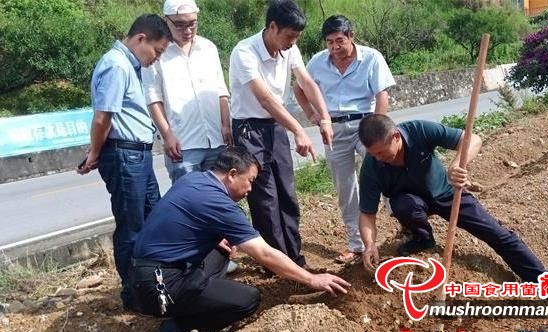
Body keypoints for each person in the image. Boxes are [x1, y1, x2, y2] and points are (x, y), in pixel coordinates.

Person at [129, 146, 350, 332]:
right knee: (248, 299)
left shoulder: (195, 181)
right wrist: (312, 279)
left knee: (221, 250)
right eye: (250, 180)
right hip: (160, 287)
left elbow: (180, 223)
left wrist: (213, 239)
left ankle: (192, 300)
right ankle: (177, 327)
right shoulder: (218, 203)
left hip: (143, 276)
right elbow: (263, 253)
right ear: (232, 174)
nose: (250, 189)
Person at [357, 115, 547, 282]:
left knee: (496, 234)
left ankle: (541, 279)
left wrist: (457, 165)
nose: (379, 158)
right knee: (403, 205)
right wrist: (370, 244)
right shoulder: (371, 168)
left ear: (395, 137)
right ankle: (423, 238)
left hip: (447, 193)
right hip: (412, 203)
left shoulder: (419, 130)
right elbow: (367, 214)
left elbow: (472, 139)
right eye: (373, 154)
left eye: (381, 152)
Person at [228, 0, 333, 267]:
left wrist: (325, 118)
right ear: (272, 27)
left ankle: (295, 258)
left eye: (296, 37)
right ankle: (276, 263)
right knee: (265, 200)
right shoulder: (245, 52)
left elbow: (306, 82)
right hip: (250, 129)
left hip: (275, 127)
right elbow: (265, 100)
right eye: (289, 36)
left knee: (287, 193)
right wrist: (298, 129)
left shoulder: (290, 49)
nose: (292, 42)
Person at [77, 14, 172, 309]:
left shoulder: (128, 67)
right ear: (141, 39)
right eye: (156, 51)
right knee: (132, 227)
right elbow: (103, 117)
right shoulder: (116, 65)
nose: (155, 59)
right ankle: (134, 295)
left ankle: (153, 284)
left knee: (152, 220)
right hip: (124, 155)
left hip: (137, 154)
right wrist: (94, 153)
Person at [293, 15, 395, 264]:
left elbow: (382, 96)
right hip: (334, 129)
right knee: (345, 187)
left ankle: (403, 226)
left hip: (365, 124)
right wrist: (312, 115)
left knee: (383, 173)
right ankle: (356, 244)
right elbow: (299, 88)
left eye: (339, 41)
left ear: (351, 36)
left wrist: (377, 129)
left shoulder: (371, 57)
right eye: (329, 42)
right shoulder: (318, 62)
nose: (335, 48)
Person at [143, 0, 232, 184]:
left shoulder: (208, 48)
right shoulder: (157, 53)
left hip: (216, 139)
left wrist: (226, 124)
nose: (188, 31)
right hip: (183, 145)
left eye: (192, 23)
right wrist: (167, 136)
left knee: (219, 199)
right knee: (189, 202)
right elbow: (153, 99)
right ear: (165, 20)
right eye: (180, 25)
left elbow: (221, 90)